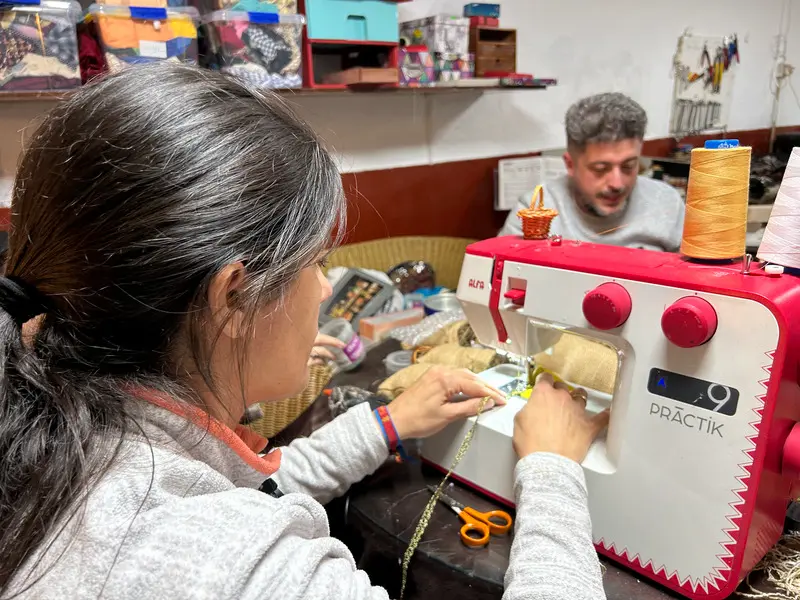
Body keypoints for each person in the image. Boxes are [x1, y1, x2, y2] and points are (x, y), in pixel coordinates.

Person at [0, 63, 609, 600]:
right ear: (233, 298)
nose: (326, 287)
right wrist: (554, 470)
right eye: (316, 262)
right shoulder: (236, 568)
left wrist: (386, 424)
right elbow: (226, 540)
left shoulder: (63, 425)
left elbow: (249, 486)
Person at [500, 92, 685, 251]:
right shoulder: (535, 213)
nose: (617, 183)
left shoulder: (667, 203)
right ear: (570, 165)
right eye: (600, 169)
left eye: (628, 166)